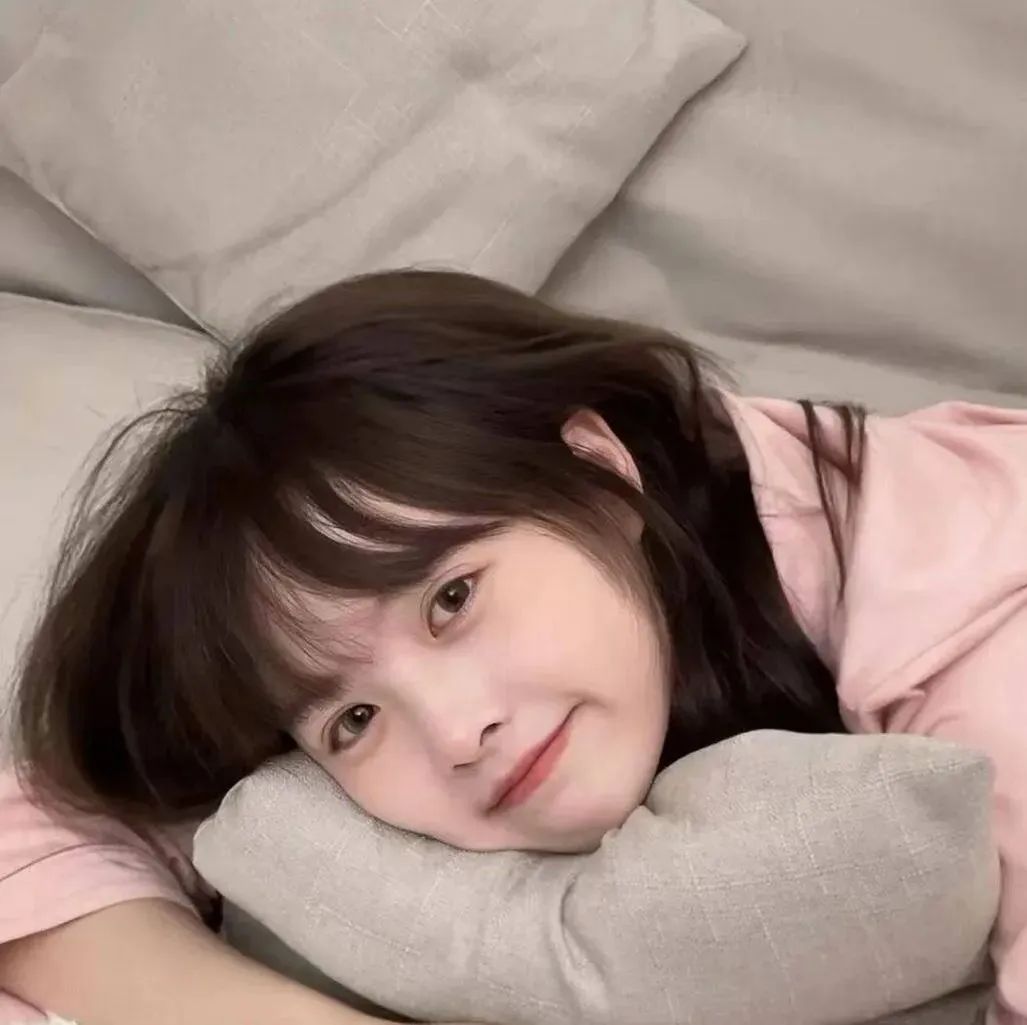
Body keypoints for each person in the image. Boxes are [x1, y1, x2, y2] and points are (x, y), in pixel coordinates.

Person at [0, 271, 1024, 1024]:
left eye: (451, 599)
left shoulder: (952, 596)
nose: (455, 731)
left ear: (600, 474)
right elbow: (38, 827)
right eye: (353, 718)